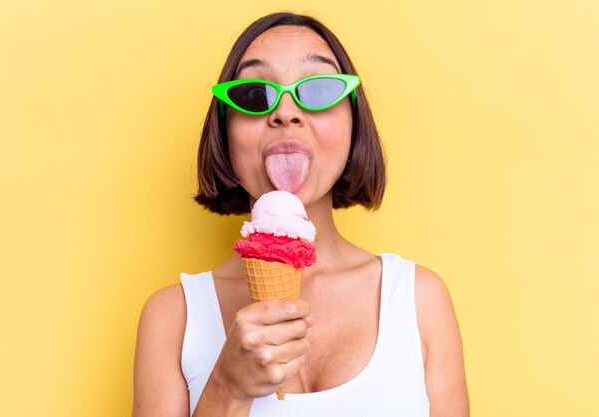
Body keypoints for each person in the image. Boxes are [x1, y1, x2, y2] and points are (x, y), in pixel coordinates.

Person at [132, 12, 469, 417]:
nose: (285, 113)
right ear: (225, 131)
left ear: (353, 120)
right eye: (256, 95)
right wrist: (227, 387)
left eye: (319, 88)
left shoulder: (418, 300)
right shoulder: (172, 318)